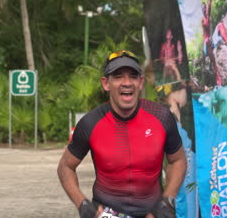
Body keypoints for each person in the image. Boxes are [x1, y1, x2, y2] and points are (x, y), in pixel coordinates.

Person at [57, 50, 187, 218]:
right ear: (105, 84)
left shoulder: (162, 117)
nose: (127, 83)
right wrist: (82, 204)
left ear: (140, 82)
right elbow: (65, 166)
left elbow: (178, 160)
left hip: (152, 213)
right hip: (106, 213)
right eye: (118, 76)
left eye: (133, 76)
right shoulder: (90, 123)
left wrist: (168, 200)